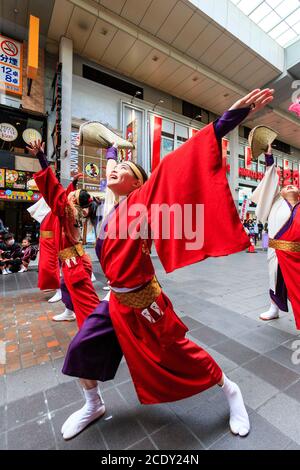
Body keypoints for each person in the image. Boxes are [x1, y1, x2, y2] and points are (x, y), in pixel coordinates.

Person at [57, 88, 274, 440]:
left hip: (144, 303)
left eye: (124, 169)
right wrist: (111, 149)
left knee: (181, 354)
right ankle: (93, 403)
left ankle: (230, 390)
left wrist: (229, 118)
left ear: (139, 183)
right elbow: (111, 162)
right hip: (115, 302)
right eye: (114, 167)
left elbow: (181, 160)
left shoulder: (143, 200)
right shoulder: (107, 206)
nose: (114, 170)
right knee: (82, 347)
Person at [27, 141, 100, 329]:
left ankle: (94, 329)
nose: (70, 193)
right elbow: (62, 194)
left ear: (73, 200)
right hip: (77, 258)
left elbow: (55, 190)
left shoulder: (67, 211)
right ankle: (72, 313)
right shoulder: (75, 210)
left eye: (73, 193)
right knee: (69, 287)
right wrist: (74, 183)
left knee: (86, 302)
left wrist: (42, 158)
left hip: (72, 263)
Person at [252, 144, 300, 326]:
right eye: (286, 186)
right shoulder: (275, 202)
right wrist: (269, 157)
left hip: (298, 254)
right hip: (277, 250)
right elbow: (271, 180)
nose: (290, 185)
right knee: (274, 279)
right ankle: (274, 308)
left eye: (294, 185)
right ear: (279, 192)